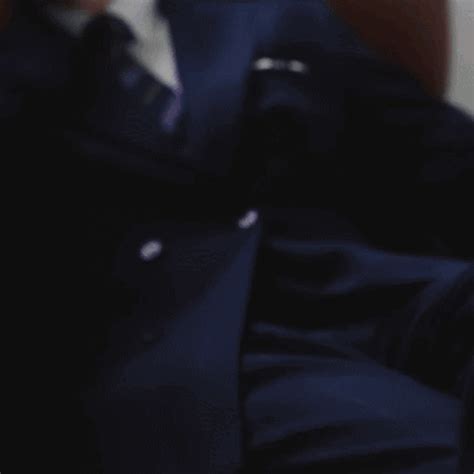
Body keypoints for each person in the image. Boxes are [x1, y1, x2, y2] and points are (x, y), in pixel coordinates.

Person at [1, 0, 473, 473]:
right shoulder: (20, 77)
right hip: (209, 357)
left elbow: (439, 150)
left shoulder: (267, 15)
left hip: (370, 285)